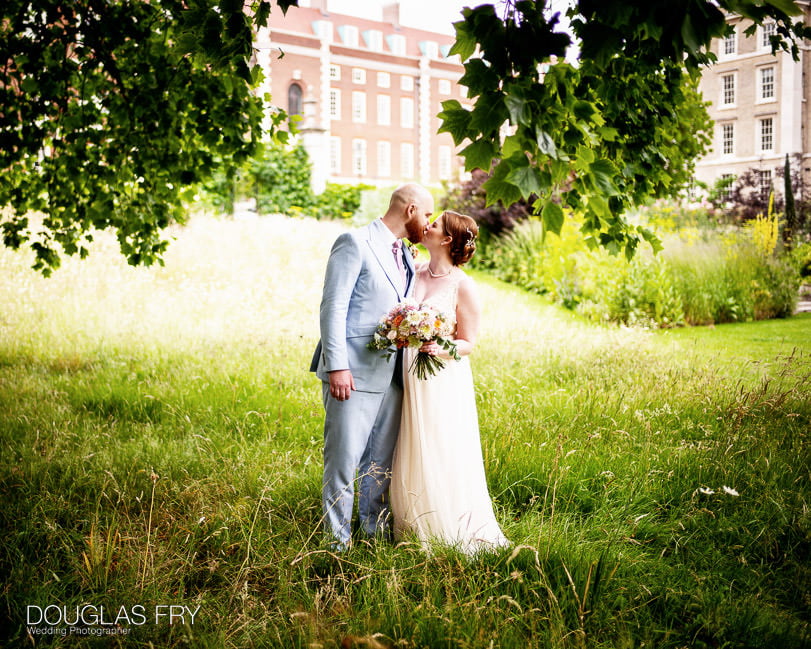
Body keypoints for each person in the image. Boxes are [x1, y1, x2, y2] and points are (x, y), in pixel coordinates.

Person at [311, 183, 434, 550]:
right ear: (410, 209)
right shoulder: (354, 243)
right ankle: (336, 545)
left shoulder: (408, 256)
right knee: (343, 462)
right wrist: (337, 366)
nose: (428, 224)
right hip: (353, 372)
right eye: (427, 215)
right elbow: (333, 307)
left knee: (380, 464)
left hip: (394, 376)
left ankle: (373, 533)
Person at [390, 210, 509, 555]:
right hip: (408, 370)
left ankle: (447, 525)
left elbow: (469, 342)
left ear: (446, 240)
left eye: (436, 224)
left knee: (440, 444)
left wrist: (439, 345)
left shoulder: (463, 284)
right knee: (409, 440)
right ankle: (409, 523)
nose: (427, 225)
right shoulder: (414, 272)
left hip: (441, 377)